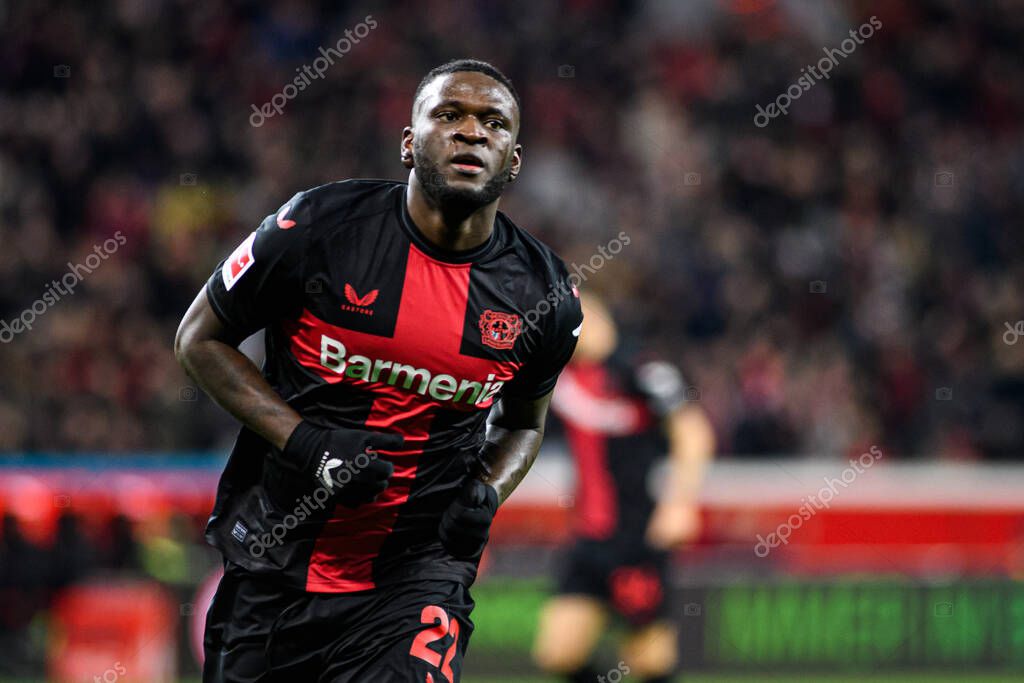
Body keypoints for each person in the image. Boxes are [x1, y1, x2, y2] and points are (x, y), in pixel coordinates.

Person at [174, 58, 583, 683]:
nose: (471, 132)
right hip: (275, 562)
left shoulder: (543, 294)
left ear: (514, 159)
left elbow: (523, 424)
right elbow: (199, 339)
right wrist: (306, 443)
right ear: (408, 143)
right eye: (449, 114)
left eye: (493, 123)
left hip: (416, 578)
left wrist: (487, 490)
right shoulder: (317, 228)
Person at [533, 292, 715, 683]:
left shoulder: (643, 369)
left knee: (648, 660)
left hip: (637, 537)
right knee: (558, 651)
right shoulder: (561, 374)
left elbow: (693, 432)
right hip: (587, 539)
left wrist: (680, 503)